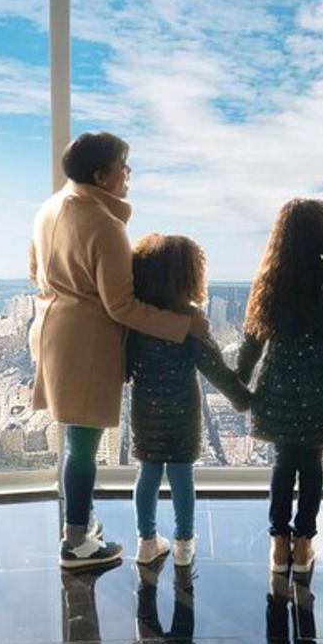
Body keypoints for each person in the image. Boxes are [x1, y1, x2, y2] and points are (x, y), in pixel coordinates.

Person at [29, 132, 210, 570]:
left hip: (51, 330)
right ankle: (76, 543)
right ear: (101, 176)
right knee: (84, 446)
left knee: (76, 439)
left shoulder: (49, 208)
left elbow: (34, 271)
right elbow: (122, 306)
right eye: (122, 167)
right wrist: (184, 325)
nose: (128, 174)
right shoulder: (106, 226)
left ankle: (82, 524)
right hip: (86, 344)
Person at [238, 198, 323, 575]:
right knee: (310, 467)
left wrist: (240, 382)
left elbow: (252, 339)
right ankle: (304, 541)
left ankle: (279, 543)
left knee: (283, 465)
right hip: (319, 388)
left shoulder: (270, 278)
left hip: (277, 384)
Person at [128, 233, 252, 566]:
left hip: (144, 409)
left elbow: (123, 365)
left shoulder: (137, 321)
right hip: (183, 410)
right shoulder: (190, 321)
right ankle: (184, 545)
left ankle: (146, 540)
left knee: (148, 473)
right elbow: (216, 369)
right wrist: (244, 399)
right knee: (183, 476)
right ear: (190, 275)